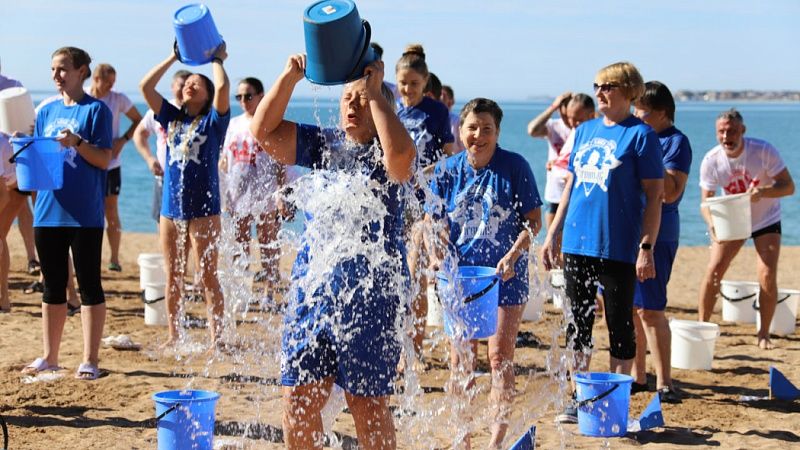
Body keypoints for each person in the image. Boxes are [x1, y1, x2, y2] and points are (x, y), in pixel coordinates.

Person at [250, 54, 414, 449]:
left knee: (368, 404)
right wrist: (289, 77)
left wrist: (375, 93)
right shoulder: (323, 144)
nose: (353, 105)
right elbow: (264, 132)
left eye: (364, 98)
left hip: (372, 298)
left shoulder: (387, 149)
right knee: (298, 399)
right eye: (347, 98)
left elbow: (402, 163)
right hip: (313, 293)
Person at [541, 62, 664, 423]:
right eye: (597, 86)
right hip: (579, 241)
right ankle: (580, 399)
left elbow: (655, 196)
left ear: (629, 90)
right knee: (577, 324)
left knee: (620, 325)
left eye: (608, 86)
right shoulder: (585, 131)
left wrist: (646, 247)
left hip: (619, 245)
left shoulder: (641, 135)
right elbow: (571, 186)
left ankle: (613, 402)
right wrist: (553, 233)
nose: (600, 92)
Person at [428, 98, 542, 448]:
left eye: (487, 129)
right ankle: (462, 438)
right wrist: (435, 254)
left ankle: (495, 441)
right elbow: (432, 221)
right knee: (461, 361)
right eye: (471, 128)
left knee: (499, 358)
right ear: (459, 131)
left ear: (497, 132)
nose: (478, 135)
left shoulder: (515, 167)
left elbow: (534, 222)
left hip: (505, 278)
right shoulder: (446, 170)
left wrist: (512, 254)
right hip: (460, 279)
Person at [20, 46, 113, 380]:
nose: (56, 76)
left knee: (89, 285)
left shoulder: (97, 111)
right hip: (47, 210)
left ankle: (89, 359)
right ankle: (50, 356)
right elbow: (41, 160)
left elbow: (104, 160)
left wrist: (76, 143)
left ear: (82, 71)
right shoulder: (46, 111)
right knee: (52, 286)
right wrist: (24, 146)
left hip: (84, 213)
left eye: (62, 69)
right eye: (53, 70)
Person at [139, 44, 230, 348]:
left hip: (205, 209)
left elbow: (223, 85)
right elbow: (145, 86)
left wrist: (216, 60)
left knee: (208, 276)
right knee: (173, 275)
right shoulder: (171, 117)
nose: (191, 84)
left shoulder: (214, 123)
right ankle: (174, 335)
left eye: (198, 83)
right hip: (170, 209)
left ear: (206, 94)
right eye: (188, 81)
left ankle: (217, 338)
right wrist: (173, 57)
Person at [698, 108, 795, 350]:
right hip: (732, 219)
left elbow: (788, 187)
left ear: (742, 130)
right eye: (721, 131)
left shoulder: (762, 151)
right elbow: (705, 202)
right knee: (714, 270)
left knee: (766, 273)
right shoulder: (712, 160)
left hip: (766, 219)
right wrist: (712, 225)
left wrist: (764, 192)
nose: (725, 136)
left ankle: (763, 334)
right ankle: (702, 327)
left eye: (731, 131)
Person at [630, 81, 692, 403]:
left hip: (660, 233)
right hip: (629, 230)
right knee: (631, 309)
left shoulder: (675, 142)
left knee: (651, 309)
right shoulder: (639, 137)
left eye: (642, 110)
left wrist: (651, 146)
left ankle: (664, 383)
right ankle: (638, 376)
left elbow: (670, 191)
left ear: (661, 112)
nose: (636, 115)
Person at [395, 44, 455, 363]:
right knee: (399, 275)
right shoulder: (392, 112)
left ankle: (413, 349)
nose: (407, 89)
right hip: (394, 202)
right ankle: (402, 344)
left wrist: (424, 172)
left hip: (426, 202)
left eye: (414, 84)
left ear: (425, 81)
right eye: (403, 83)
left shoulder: (436, 112)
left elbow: (450, 154)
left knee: (415, 271)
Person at [220, 77, 284, 289]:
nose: (243, 100)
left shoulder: (270, 122)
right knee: (241, 241)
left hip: (265, 192)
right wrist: (223, 192)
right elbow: (225, 160)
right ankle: (242, 287)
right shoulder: (233, 124)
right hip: (237, 193)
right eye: (239, 96)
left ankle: (269, 290)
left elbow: (280, 162)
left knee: (268, 243)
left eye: (248, 95)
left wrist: (280, 193)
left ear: (260, 97)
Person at [87, 63, 143, 272]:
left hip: (111, 164)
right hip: (87, 163)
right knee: (90, 212)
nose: (111, 86)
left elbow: (138, 119)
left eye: (113, 82)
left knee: (111, 210)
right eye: (108, 82)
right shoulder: (84, 97)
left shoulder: (118, 98)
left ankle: (114, 258)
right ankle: (90, 256)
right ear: (96, 78)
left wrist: (123, 140)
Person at [132, 70, 190, 228]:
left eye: (189, 85)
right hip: (165, 178)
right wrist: (149, 158)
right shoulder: (158, 110)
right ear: (172, 87)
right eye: (181, 84)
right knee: (164, 224)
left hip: (191, 179)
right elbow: (139, 134)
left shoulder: (198, 113)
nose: (185, 88)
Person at [527, 92, 574, 240]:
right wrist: (553, 107)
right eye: (563, 114)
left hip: (574, 192)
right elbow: (532, 130)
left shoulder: (582, 127)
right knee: (553, 242)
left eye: (570, 115)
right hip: (554, 192)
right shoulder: (554, 126)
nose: (567, 119)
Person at [441, 84, 464, 152]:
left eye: (443, 97)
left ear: (451, 101)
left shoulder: (457, 121)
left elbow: (464, 149)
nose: (440, 99)